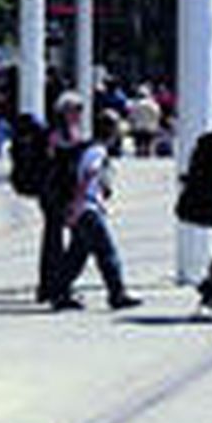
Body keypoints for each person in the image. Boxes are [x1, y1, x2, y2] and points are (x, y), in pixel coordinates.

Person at [49, 109, 142, 311]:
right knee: (107, 252)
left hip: (82, 208)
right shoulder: (97, 151)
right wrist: (77, 206)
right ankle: (117, 293)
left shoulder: (89, 148)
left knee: (76, 255)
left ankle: (59, 292)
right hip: (87, 209)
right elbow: (88, 176)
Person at [35, 91, 85, 302]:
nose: (79, 114)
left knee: (55, 239)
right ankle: (57, 286)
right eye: (75, 109)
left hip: (59, 192)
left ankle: (52, 285)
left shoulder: (67, 131)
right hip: (58, 192)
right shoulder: (58, 133)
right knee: (59, 241)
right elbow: (64, 160)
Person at [128, 83, 162, 157]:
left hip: (139, 127)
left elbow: (132, 116)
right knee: (148, 144)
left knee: (139, 144)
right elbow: (157, 114)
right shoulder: (153, 104)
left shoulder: (136, 104)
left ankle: (139, 153)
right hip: (150, 127)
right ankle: (147, 154)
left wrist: (132, 124)